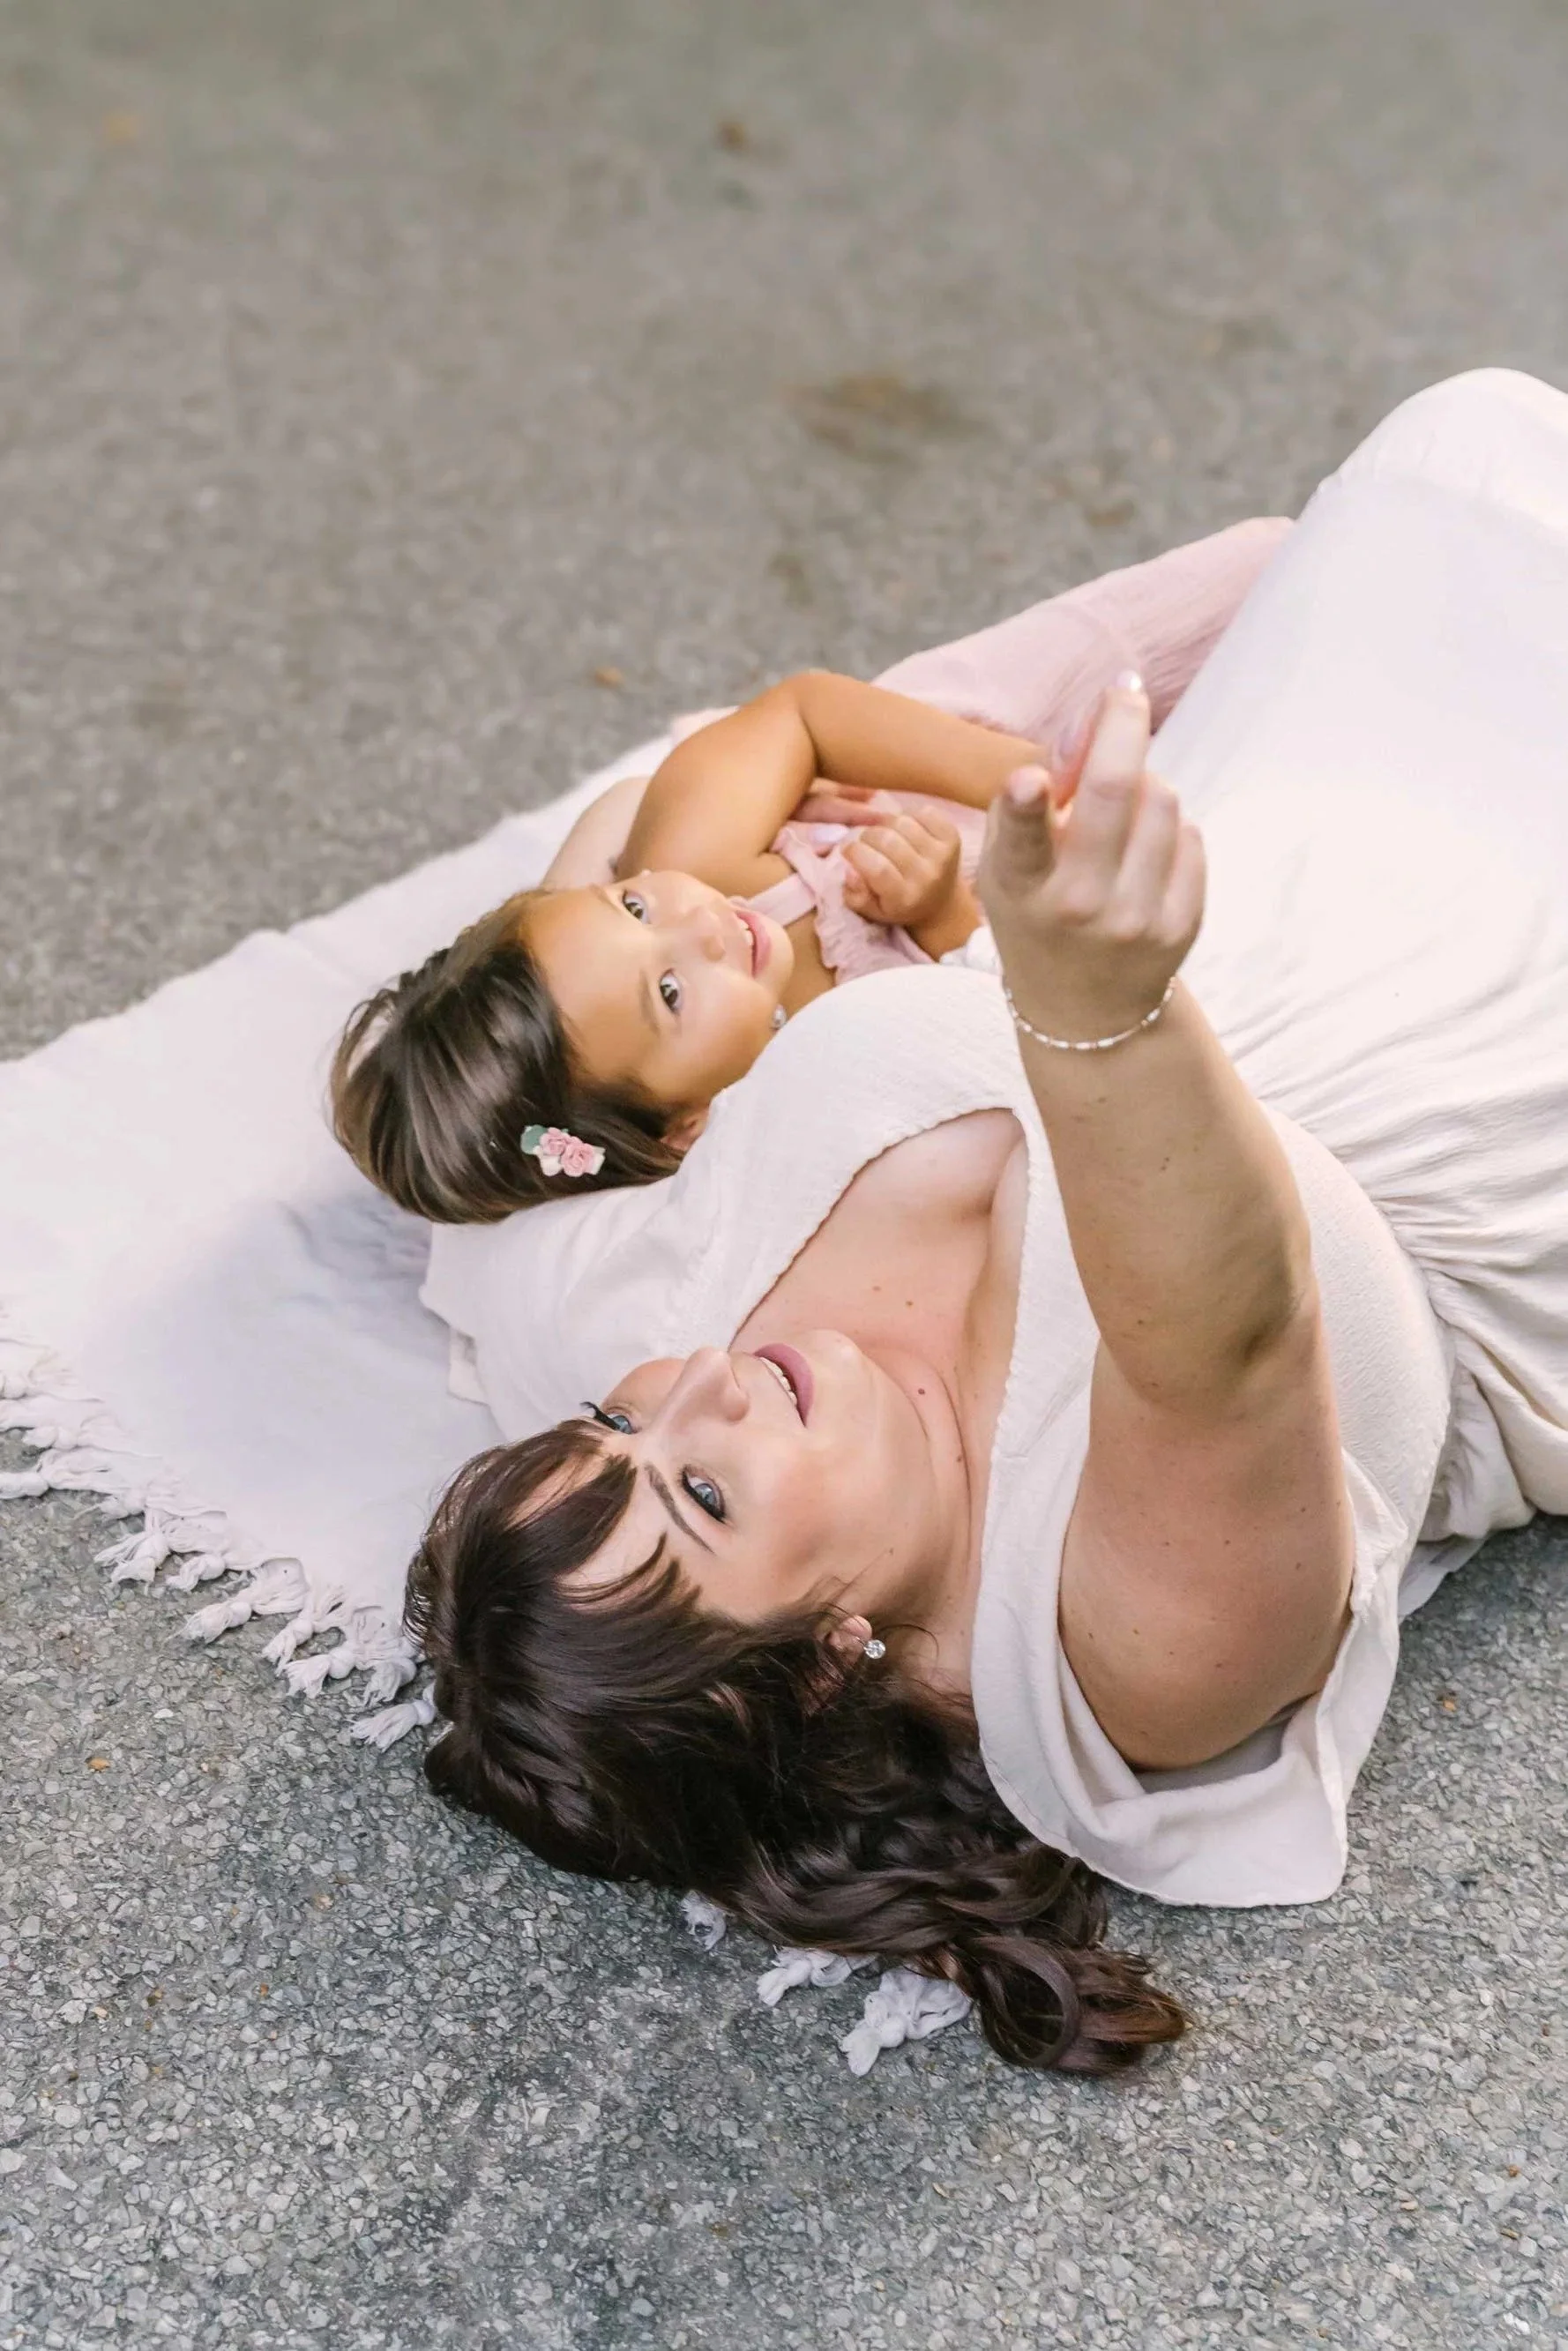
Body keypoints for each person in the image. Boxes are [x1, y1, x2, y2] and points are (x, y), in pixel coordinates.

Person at [408, 369, 1568, 2074]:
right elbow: (1224, 1336)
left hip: (1258, 854)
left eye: (618, 1418)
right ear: (826, 1669)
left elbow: (494, 1118)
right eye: (705, 1492)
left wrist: (662, 895)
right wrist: (1084, 996)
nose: (695, 1390)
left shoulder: (642, 1334)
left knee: (1470, 450)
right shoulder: (1111, 1665)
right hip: (1503, 1083)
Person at [329, 521, 1288, 1221]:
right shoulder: (820, 1078)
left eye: (628, 903)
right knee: (1278, 774)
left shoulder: (693, 859)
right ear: (682, 1129)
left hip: (950, 750)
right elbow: (1003, 1032)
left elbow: (808, 711)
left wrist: (1023, 784)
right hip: (1034, 907)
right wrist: (942, 909)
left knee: (1260, 578)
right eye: (668, 992)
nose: (698, 925)